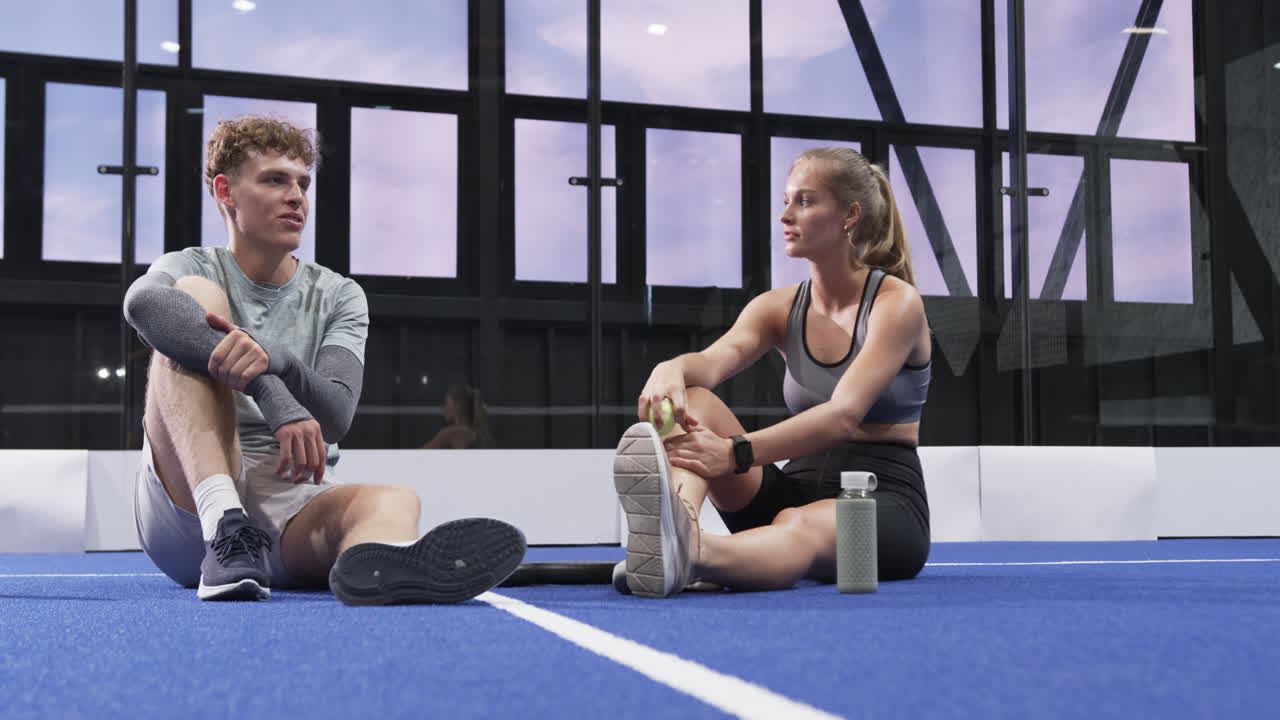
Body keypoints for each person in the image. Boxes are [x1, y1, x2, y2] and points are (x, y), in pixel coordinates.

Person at [123, 116, 525, 603]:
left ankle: (375, 564)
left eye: (302, 183)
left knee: (396, 500)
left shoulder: (339, 295)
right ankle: (227, 527)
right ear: (226, 191)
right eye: (275, 179)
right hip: (191, 500)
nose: (297, 196)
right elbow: (142, 305)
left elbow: (335, 415)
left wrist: (284, 362)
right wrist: (273, 393)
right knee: (194, 301)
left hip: (289, 501)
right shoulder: (190, 266)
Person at [613, 147, 931, 597]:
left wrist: (735, 454)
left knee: (795, 523)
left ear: (849, 215)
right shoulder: (776, 308)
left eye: (804, 201)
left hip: (880, 500)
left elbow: (844, 415)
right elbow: (711, 362)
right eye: (786, 201)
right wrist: (670, 370)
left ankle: (690, 553)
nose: (785, 215)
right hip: (793, 484)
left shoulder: (896, 304)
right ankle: (677, 523)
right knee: (694, 398)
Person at [422, 384, 494, 449]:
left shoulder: (453, 433)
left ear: (458, 406)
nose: (443, 408)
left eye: (446, 403)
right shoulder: (477, 433)